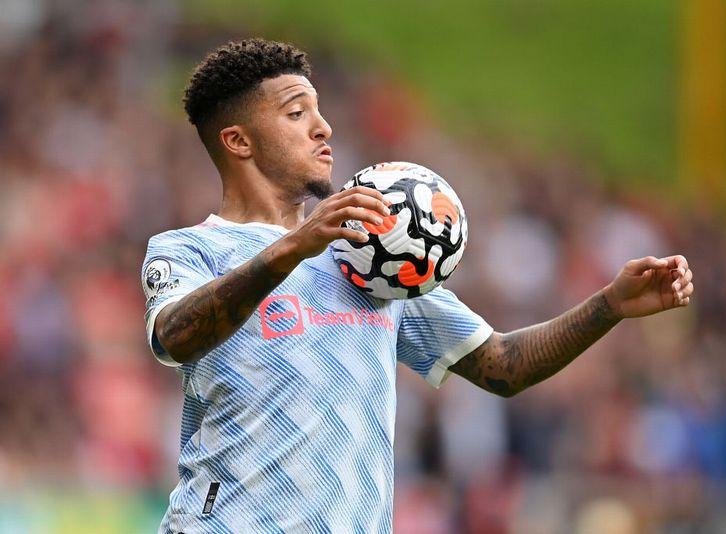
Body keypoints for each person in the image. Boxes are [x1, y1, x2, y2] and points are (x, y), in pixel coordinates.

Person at [141, 38, 694, 533]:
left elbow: (504, 365)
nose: (323, 128)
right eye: (296, 113)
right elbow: (174, 337)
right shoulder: (188, 250)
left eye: (319, 110)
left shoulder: (367, 255)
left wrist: (609, 305)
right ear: (238, 141)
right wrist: (292, 248)